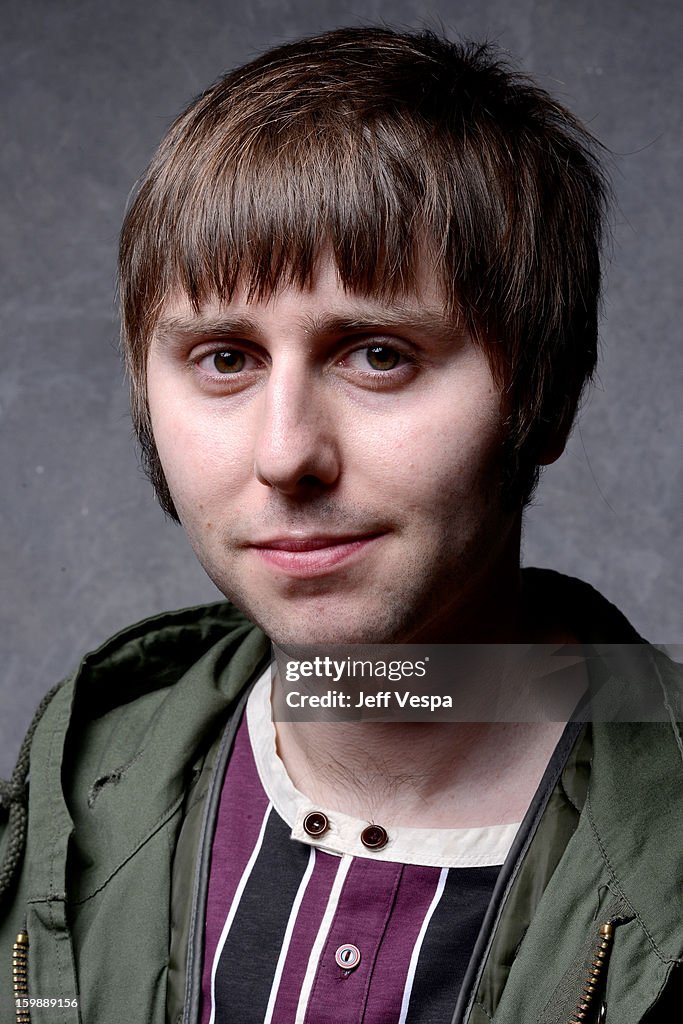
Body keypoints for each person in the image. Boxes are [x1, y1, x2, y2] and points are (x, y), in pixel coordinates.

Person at [0, 25, 680, 1024]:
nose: (285, 454)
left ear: (542, 395)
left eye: (376, 354)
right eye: (225, 358)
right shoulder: (76, 795)